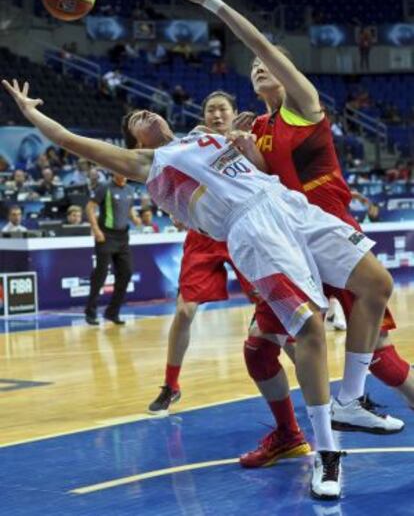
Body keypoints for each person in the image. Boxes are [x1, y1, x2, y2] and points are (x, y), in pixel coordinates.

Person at [3, 78, 396, 500]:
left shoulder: (206, 137)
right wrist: (32, 113)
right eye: (137, 120)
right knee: (309, 330)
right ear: (134, 141)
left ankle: (349, 400)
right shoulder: (148, 163)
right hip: (253, 233)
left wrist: (242, 140)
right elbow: (71, 140)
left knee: (377, 282)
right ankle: (327, 451)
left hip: (287, 205)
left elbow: (259, 154)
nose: (146, 113)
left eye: (145, 110)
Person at [175, 0, 412, 445]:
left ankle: (350, 404)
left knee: (383, 358)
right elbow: (259, 187)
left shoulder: (303, 104)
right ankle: (293, 436)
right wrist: (228, 145)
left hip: (331, 234)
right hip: (287, 244)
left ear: (287, 73)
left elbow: (260, 44)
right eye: (256, 67)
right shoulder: (256, 131)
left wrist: (211, 3)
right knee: (260, 348)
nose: (260, 66)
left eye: (270, 63)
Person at [147, 90, 309, 471]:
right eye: (210, 108)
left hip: (246, 230)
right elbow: (171, 189)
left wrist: (247, 146)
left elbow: (269, 177)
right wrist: (176, 210)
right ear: (202, 115)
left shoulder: (246, 141)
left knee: (277, 323)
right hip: (206, 234)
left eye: (223, 108)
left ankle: (314, 395)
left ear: (235, 114)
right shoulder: (191, 144)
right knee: (185, 310)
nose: (217, 113)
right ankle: (171, 384)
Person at [83, 173, 141, 326]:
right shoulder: (105, 187)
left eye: (125, 173)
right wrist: (95, 229)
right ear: (114, 173)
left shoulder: (129, 189)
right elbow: (90, 207)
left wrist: (134, 218)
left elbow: (128, 208)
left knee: (126, 272)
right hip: (106, 235)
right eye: (120, 173)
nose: (123, 176)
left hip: (123, 237)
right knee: (100, 274)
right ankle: (90, 312)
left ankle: (112, 312)